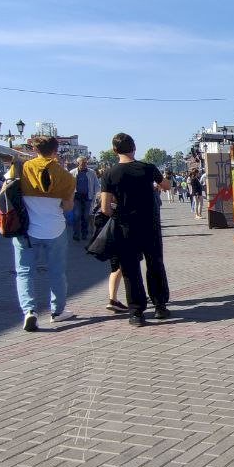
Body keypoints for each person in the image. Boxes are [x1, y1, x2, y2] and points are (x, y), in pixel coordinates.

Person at [100, 133, 171, 326]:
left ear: (114, 150)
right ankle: (160, 306)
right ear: (134, 147)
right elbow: (166, 185)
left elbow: (105, 208)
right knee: (155, 264)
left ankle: (136, 313)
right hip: (150, 224)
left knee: (130, 269)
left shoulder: (109, 173)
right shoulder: (148, 168)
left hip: (125, 226)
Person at [13, 136, 76, 331]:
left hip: (26, 229)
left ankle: (29, 311)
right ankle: (57, 311)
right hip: (55, 229)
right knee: (57, 271)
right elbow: (68, 206)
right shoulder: (66, 176)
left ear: (34, 149)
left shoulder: (22, 169)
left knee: (25, 271)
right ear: (55, 150)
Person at [70, 156, 99, 242]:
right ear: (78, 163)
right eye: (83, 163)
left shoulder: (92, 172)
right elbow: (69, 185)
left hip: (88, 197)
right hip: (77, 197)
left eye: (86, 162)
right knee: (77, 215)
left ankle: (84, 233)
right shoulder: (72, 172)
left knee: (86, 216)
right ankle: (76, 234)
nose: (85, 164)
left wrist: (97, 195)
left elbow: (96, 185)